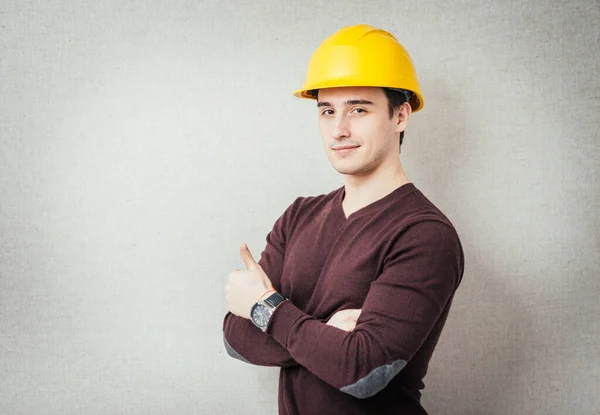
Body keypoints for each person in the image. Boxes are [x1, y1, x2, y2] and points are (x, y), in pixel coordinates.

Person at [222, 24, 464, 415]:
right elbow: (235, 338)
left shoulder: (423, 235)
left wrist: (263, 305)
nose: (339, 129)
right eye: (327, 111)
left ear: (400, 115)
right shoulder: (299, 215)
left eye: (358, 109)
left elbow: (361, 370)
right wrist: (323, 336)